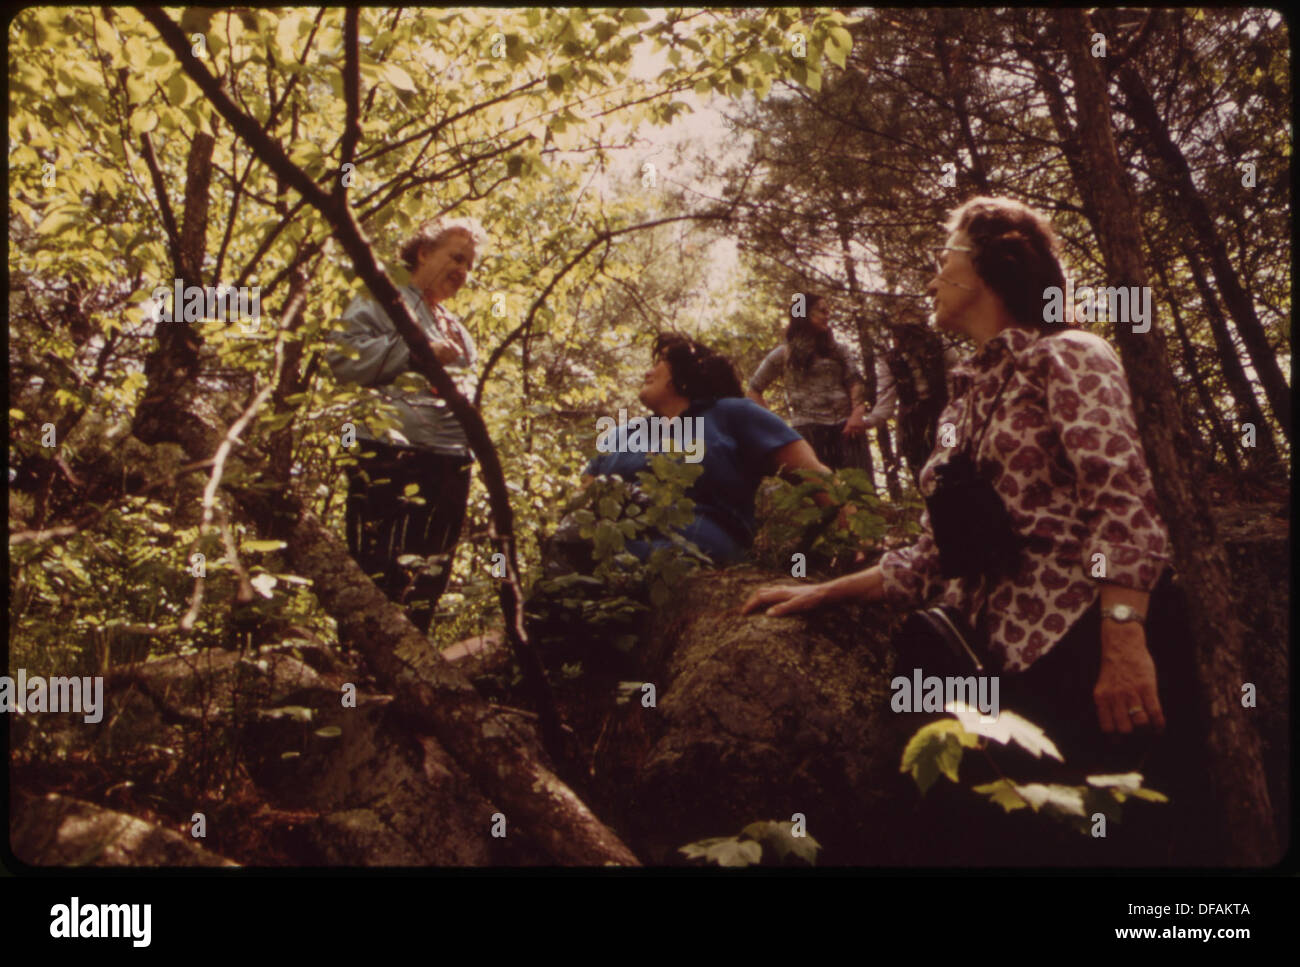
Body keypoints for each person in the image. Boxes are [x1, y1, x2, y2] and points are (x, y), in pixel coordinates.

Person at [742, 196, 1180, 784]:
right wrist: (824, 593)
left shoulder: (1069, 356)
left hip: (1076, 649)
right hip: (990, 669)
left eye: (944, 258)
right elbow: (931, 556)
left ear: (988, 268)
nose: (932, 278)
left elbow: (1122, 499)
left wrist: (1123, 639)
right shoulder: (967, 394)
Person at [325, 218, 481, 635]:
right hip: (389, 452)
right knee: (377, 566)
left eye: (469, 264)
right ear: (424, 253)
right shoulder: (383, 300)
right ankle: (362, 669)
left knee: (431, 569)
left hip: (450, 462)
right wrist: (415, 353)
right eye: (456, 257)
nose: (463, 271)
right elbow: (343, 357)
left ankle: (413, 668)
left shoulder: (460, 331)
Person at [583, 333, 835, 566]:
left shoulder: (732, 413)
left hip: (697, 558)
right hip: (602, 563)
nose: (648, 372)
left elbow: (815, 476)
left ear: (685, 370)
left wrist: (859, 540)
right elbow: (585, 494)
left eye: (661, 361)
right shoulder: (624, 433)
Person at [747, 294, 869, 471]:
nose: (827, 315)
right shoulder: (783, 354)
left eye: (828, 311)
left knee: (858, 493)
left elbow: (856, 381)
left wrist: (857, 414)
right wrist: (777, 427)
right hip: (807, 432)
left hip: (846, 429)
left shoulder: (838, 350)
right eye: (821, 311)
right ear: (804, 315)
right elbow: (753, 390)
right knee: (817, 491)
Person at [861, 318, 961, 485]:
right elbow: (886, 399)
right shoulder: (890, 360)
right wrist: (868, 421)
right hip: (912, 422)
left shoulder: (941, 347)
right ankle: (930, 505)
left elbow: (955, 382)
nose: (896, 341)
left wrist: (953, 413)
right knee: (919, 467)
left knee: (948, 460)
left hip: (945, 417)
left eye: (901, 335)